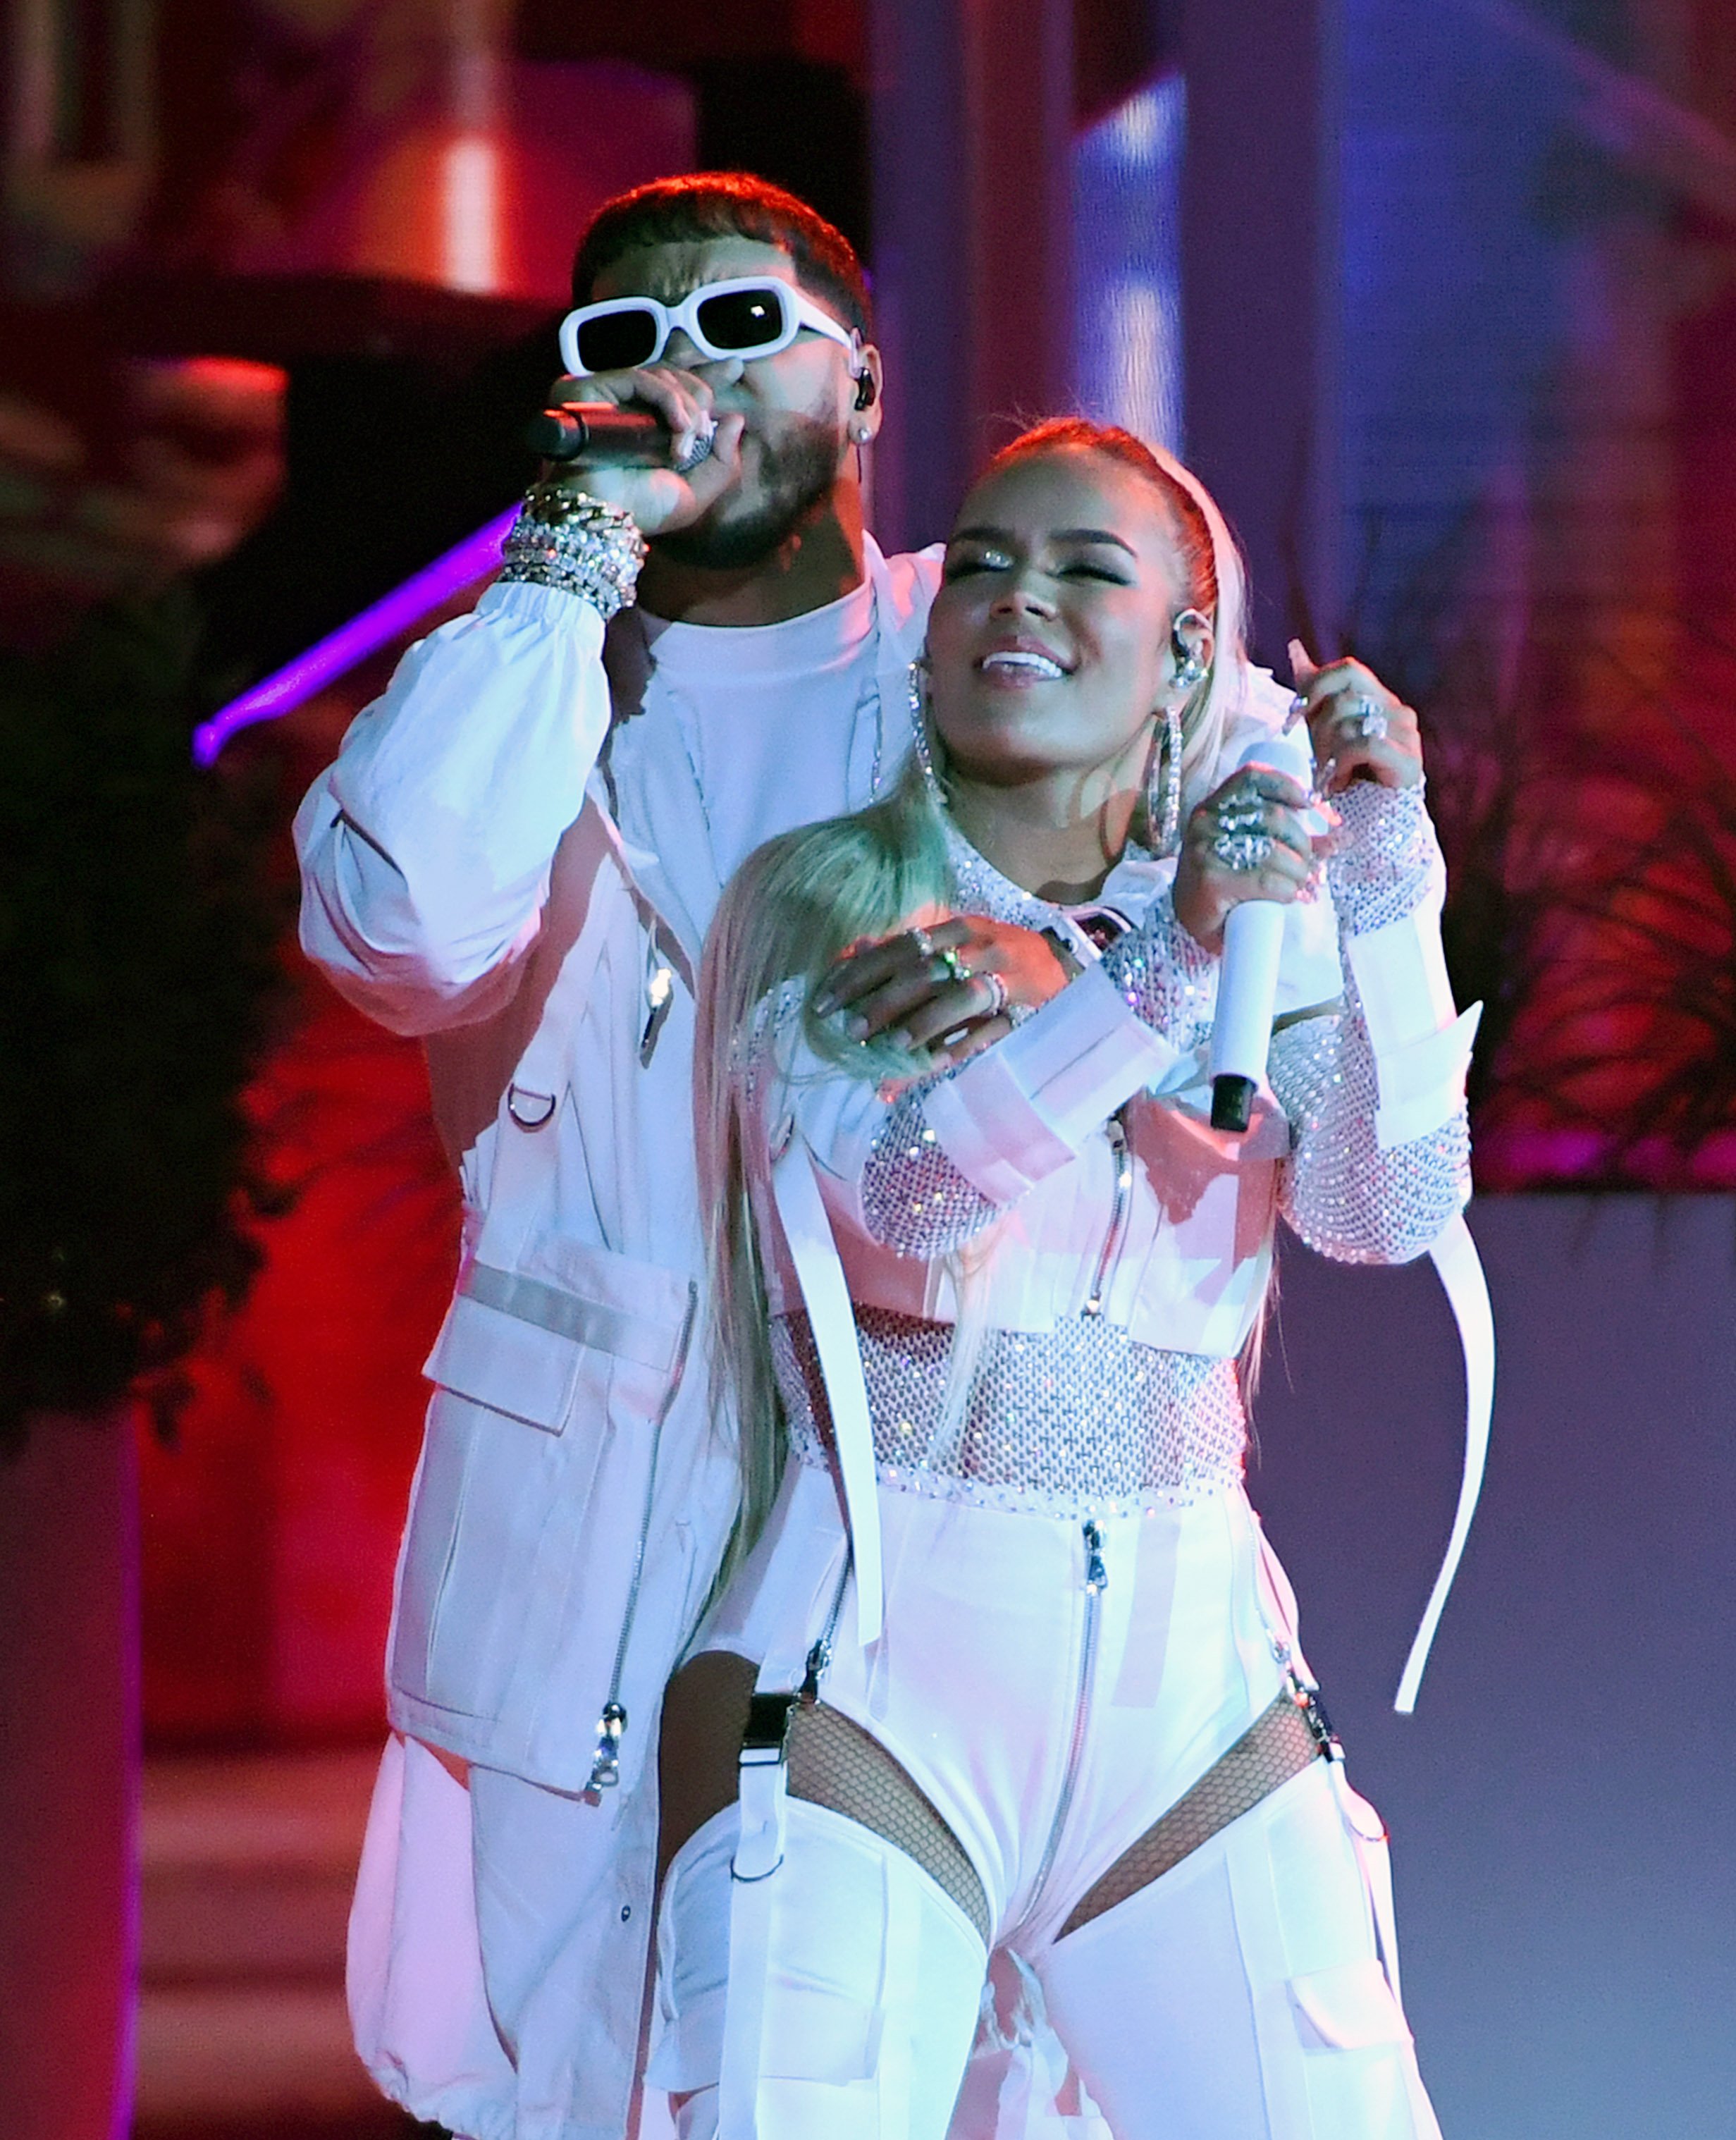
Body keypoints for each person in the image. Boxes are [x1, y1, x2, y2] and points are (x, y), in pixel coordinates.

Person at [650, 418, 1479, 2138]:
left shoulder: (1258, 920)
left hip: (1192, 1711)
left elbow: (1381, 1206)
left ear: (1189, 648)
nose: (1014, 599)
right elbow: (905, 1192)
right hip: (869, 1695)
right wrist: (1157, 969)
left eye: (1087, 569)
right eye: (979, 562)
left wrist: (1387, 868)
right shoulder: (828, 898)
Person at [295, 175, 942, 2140]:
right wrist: (568, 567)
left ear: (867, 381)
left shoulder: (977, 661)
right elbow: (398, 926)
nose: (688, 369)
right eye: (630, 338)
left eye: (747, 325)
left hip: (913, 1502)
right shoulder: (524, 674)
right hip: (591, 1531)